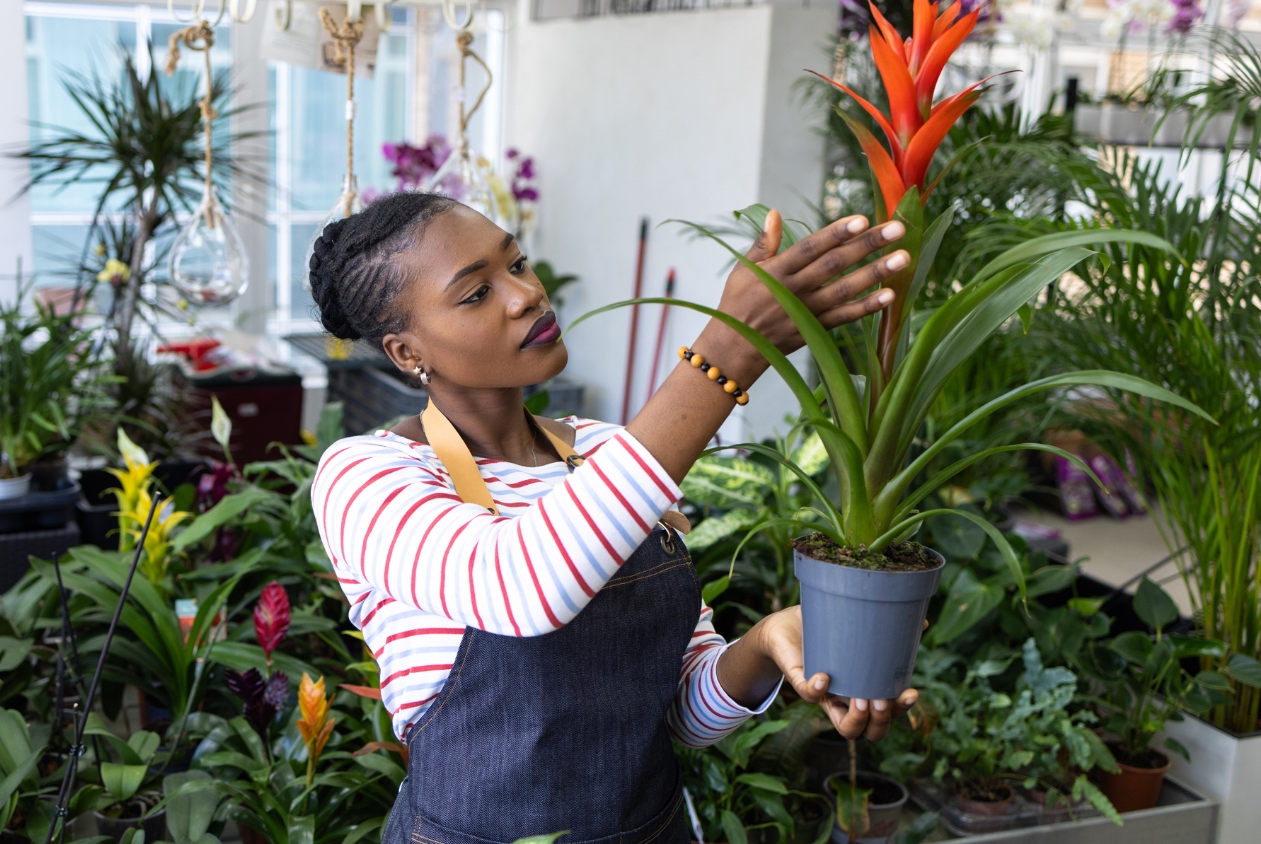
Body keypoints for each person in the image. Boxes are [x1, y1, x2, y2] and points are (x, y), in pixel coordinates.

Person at [309, 192, 917, 844]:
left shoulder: (606, 453)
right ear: (406, 353)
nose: (524, 295)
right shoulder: (367, 477)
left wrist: (769, 643)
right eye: (475, 294)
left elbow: (685, 714)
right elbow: (519, 586)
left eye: (515, 263)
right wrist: (727, 352)